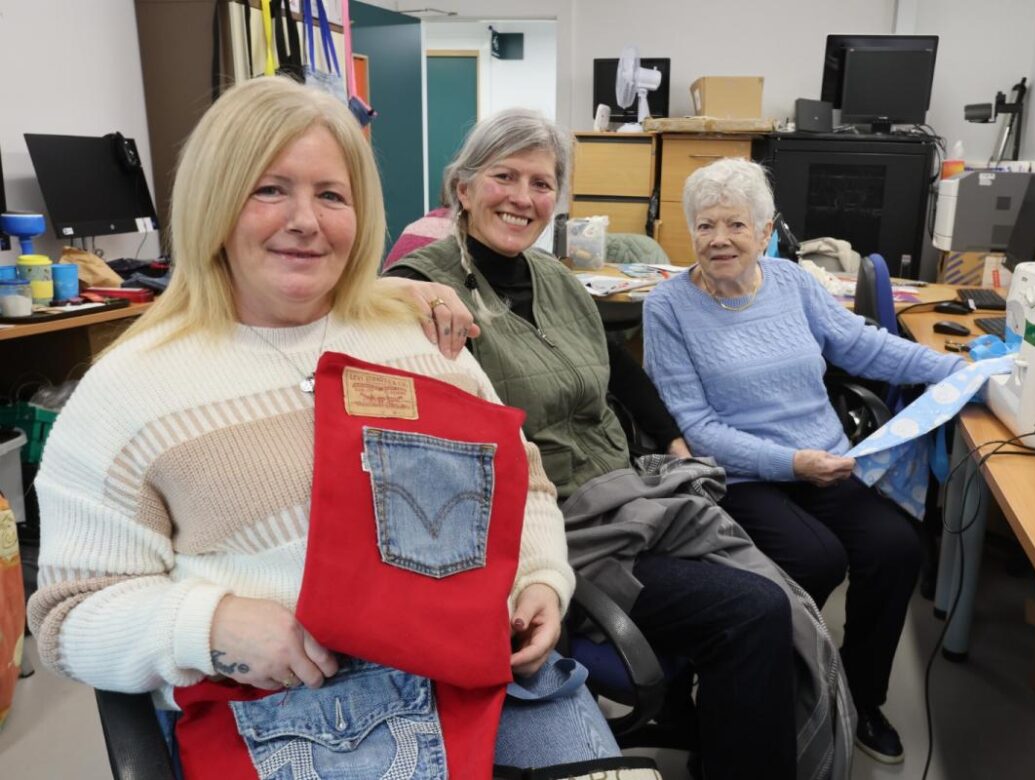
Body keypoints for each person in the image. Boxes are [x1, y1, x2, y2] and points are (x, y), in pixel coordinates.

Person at [26, 76, 621, 776]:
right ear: (214, 204)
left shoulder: (422, 340)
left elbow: (525, 487)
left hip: (490, 676)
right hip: (306, 712)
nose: (305, 220)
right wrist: (211, 623)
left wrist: (542, 580)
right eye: (270, 189)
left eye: (331, 195)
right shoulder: (128, 391)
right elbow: (68, 621)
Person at [389, 108, 852, 780]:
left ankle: (724, 728)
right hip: (551, 529)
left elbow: (616, 364)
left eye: (541, 183)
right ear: (462, 187)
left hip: (629, 492)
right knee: (756, 610)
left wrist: (674, 441)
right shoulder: (425, 286)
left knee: (784, 578)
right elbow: (349, 309)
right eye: (504, 176)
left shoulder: (553, 278)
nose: (523, 197)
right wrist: (399, 291)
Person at [641, 157, 968, 765]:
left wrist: (957, 369)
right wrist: (792, 463)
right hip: (740, 473)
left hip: (826, 458)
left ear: (765, 233)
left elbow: (861, 345)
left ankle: (859, 695)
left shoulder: (792, 281)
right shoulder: (667, 308)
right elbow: (696, 427)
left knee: (896, 548)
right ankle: (765, 689)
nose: (719, 240)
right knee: (814, 559)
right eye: (705, 226)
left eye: (736, 225)